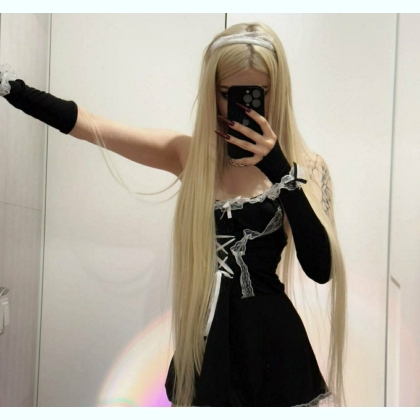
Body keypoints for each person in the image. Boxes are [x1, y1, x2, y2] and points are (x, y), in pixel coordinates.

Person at [0, 21, 347, 407]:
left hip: (275, 349)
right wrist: (13, 89)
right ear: (212, 91)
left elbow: (321, 268)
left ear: (277, 90)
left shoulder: (306, 167)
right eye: (228, 94)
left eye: (257, 93)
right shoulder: (191, 155)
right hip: (205, 346)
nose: (243, 107)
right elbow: (93, 126)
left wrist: (280, 171)